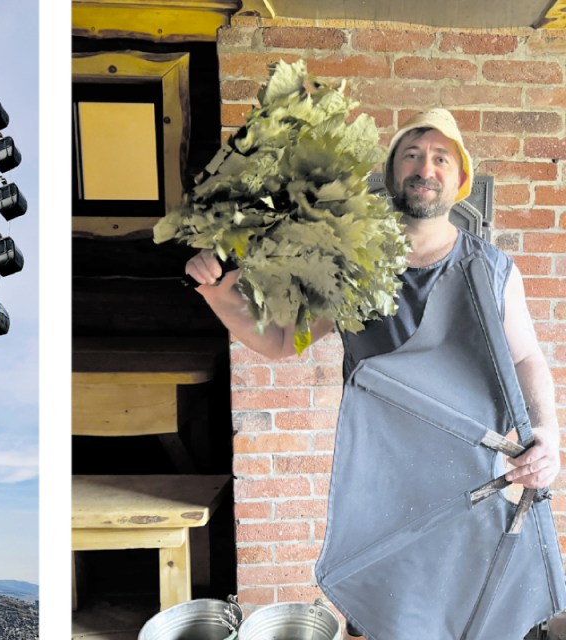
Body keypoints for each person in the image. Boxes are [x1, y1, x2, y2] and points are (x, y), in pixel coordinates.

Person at [184, 108, 561, 639]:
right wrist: (219, 294)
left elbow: (526, 359)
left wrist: (547, 432)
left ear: (458, 181)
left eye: (439, 158)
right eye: (410, 155)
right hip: (382, 480)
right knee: (385, 615)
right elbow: (276, 339)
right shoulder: (353, 267)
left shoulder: (493, 269)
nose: (423, 167)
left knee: (475, 616)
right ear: (392, 175)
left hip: (478, 479)